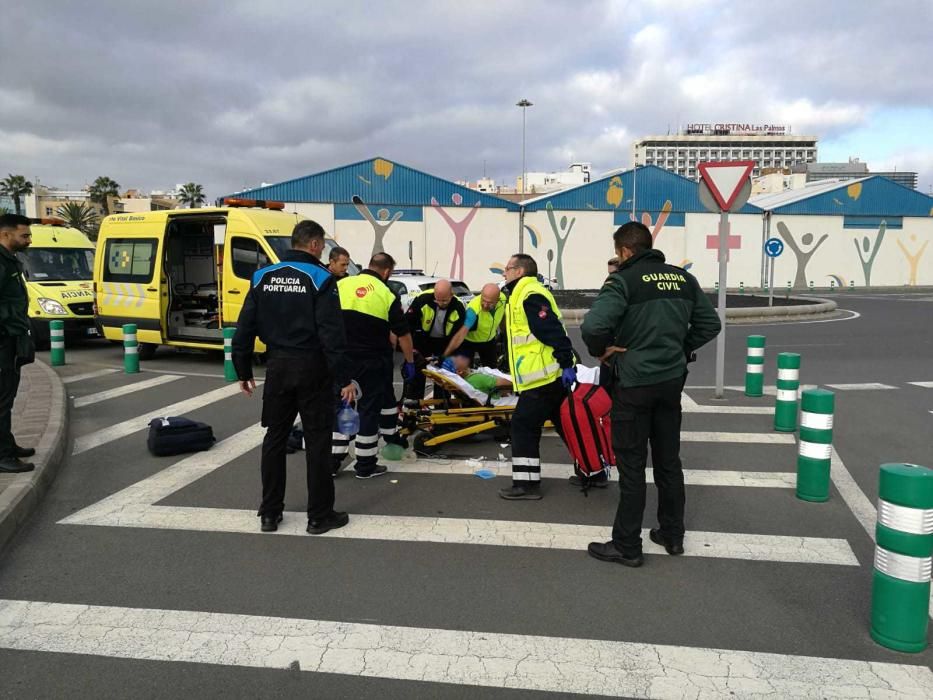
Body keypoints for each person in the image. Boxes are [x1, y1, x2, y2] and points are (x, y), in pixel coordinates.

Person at [581, 221, 721, 567]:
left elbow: (593, 326)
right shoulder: (683, 279)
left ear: (625, 251)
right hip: (671, 382)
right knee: (669, 462)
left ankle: (627, 545)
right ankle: (672, 535)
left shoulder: (622, 281)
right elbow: (710, 324)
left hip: (635, 384)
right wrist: (679, 348)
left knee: (631, 466)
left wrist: (603, 351)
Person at [232, 219, 355, 535]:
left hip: (278, 368)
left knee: (275, 438)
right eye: (322, 244)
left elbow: (245, 326)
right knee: (317, 442)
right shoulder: (320, 278)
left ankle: (270, 513)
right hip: (313, 368)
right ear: (314, 244)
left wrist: (242, 368)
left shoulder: (261, 276)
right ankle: (319, 516)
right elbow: (331, 333)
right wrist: (344, 379)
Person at [499, 253, 576, 500]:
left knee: (523, 426)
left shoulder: (529, 294)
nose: (504, 273)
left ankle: (526, 484)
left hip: (543, 377)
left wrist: (566, 362)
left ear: (519, 271)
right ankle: (592, 472)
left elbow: (552, 331)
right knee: (566, 425)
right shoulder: (523, 293)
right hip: (549, 376)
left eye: (508, 268)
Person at [332, 252, 415, 478]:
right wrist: (409, 362)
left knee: (341, 407)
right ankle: (365, 466)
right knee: (368, 411)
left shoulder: (342, 284)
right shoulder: (386, 293)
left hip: (340, 359)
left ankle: (332, 461)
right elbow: (403, 334)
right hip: (371, 362)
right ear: (387, 272)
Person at [0, 214, 36, 474]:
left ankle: (7, 445)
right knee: (1, 400)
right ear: (5, 234)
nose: (28, 240)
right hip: (3, 340)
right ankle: (2, 456)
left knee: (8, 397)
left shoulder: (8, 260)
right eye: (24, 235)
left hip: (12, 338)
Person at [403, 279, 465, 400]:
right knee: (417, 376)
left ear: (451, 295)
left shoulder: (458, 307)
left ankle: (441, 405)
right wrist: (413, 349)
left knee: (443, 378)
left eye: (444, 301)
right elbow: (408, 323)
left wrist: (447, 355)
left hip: (444, 343)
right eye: (438, 300)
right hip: (422, 340)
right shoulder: (422, 300)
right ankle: (414, 406)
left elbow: (458, 335)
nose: (441, 303)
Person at [443, 283, 505, 367]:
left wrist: (504, 335)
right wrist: (445, 354)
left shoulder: (503, 300)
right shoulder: (473, 309)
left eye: (490, 303)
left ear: (497, 300)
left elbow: (503, 316)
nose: (485, 305)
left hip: (489, 341)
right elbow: (460, 335)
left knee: (493, 370)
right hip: (469, 343)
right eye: (483, 300)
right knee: (465, 372)